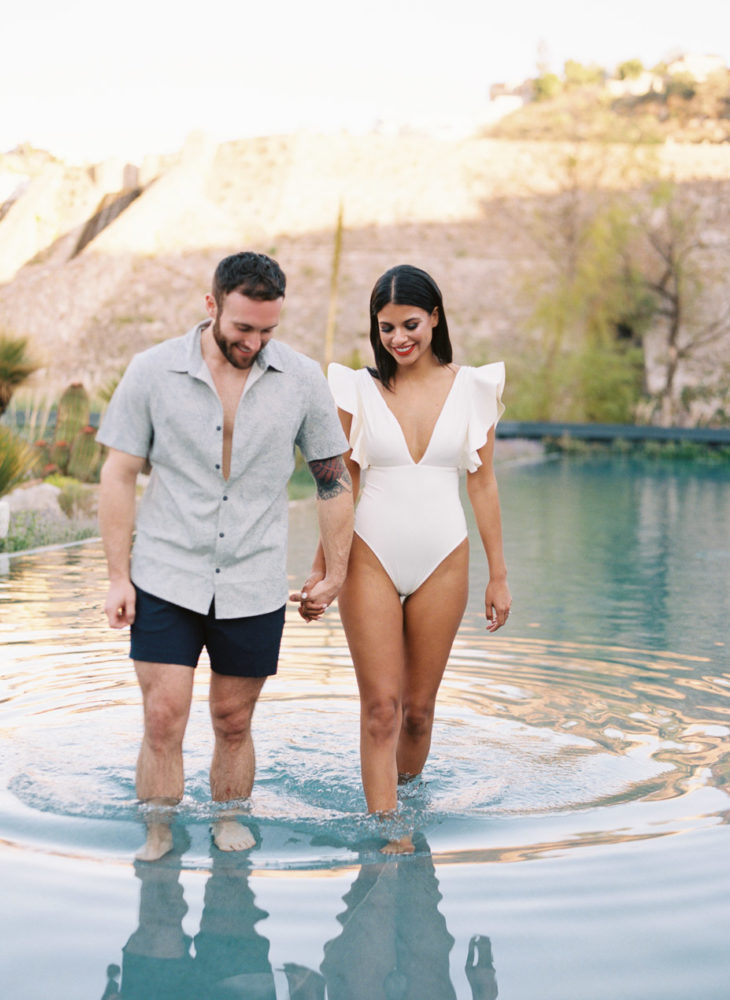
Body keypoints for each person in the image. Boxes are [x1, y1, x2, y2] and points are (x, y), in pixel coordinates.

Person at [97, 251, 353, 861]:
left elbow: (333, 479)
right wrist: (116, 577)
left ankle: (228, 818)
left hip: (253, 577)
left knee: (233, 721)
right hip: (166, 573)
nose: (255, 341)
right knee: (164, 717)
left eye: (268, 330)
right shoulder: (153, 370)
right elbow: (119, 472)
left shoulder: (301, 378)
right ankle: (160, 831)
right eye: (243, 328)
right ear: (211, 305)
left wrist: (336, 573)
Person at [300, 265, 510, 836]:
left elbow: (483, 482)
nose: (398, 339)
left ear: (435, 317)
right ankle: (387, 835)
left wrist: (499, 575)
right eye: (386, 327)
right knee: (381, 709)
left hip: (446, 557)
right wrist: (325, 568)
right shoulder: (356, 389)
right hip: (370, 554)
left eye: (410, 324)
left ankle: (406, 808)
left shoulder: (475, 388)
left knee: (417, 713)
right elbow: (341, 480)